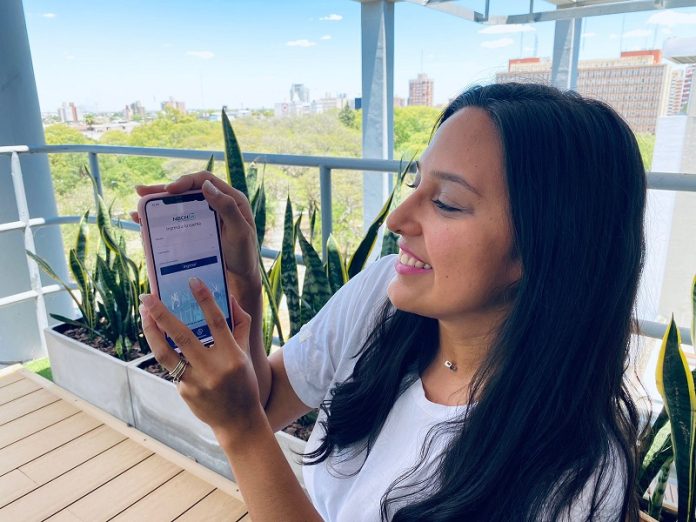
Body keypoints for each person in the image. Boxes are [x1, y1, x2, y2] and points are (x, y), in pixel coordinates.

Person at [135, 83, 647, 521]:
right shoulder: (385, 297)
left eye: (446, 203)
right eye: (416, 182)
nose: (398, 219)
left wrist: (242, 432)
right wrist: (242, 283)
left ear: (546, 247)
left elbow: (252, 420)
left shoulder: (577, 479)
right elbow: (266, 403)